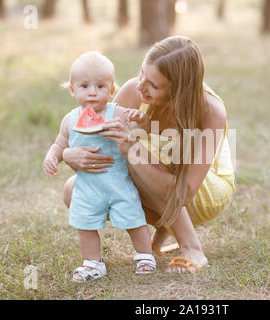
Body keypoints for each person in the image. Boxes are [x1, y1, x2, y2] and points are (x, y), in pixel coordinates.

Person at [62, 36, 236, 273]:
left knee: (133, 155)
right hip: (160, 182)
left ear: (178, 91)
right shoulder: (134, 90)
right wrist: (70, 154)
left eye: (153, 85)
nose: (141, 85)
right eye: (142, 72)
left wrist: (133, 150)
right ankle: (162, 233)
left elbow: (184, 193)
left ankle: (192, 247)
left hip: (202, 192)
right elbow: (104, 152)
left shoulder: (211, 111)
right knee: (74, 189)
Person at [43, 51, 156, 282]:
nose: (93, 92)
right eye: (85, 86)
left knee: (135, 219)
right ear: (73, 90)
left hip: (119, 183)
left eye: (101, 86)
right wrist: (52, 156)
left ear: (112, 90)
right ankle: (93, 263)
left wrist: (142, 121)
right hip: (87, 187)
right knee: (85, 225)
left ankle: (145, 256)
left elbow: (142, 134)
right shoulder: (70, 120)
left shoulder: (120, 113)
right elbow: (59, 144)